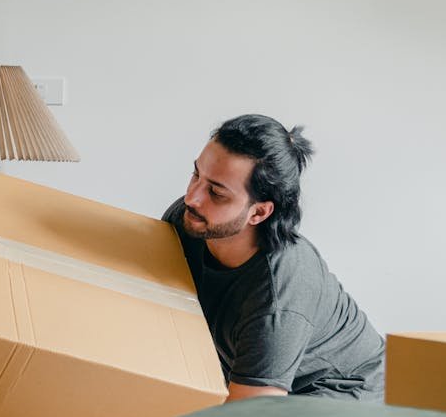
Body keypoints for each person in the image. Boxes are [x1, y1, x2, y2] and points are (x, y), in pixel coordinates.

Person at [163, 114, 384, 402]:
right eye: (196, 175)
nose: (192, 197)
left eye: (216, 192)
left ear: (259, 213)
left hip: (344, 393)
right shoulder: (190, 220)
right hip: (269, 379)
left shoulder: (277, 297)